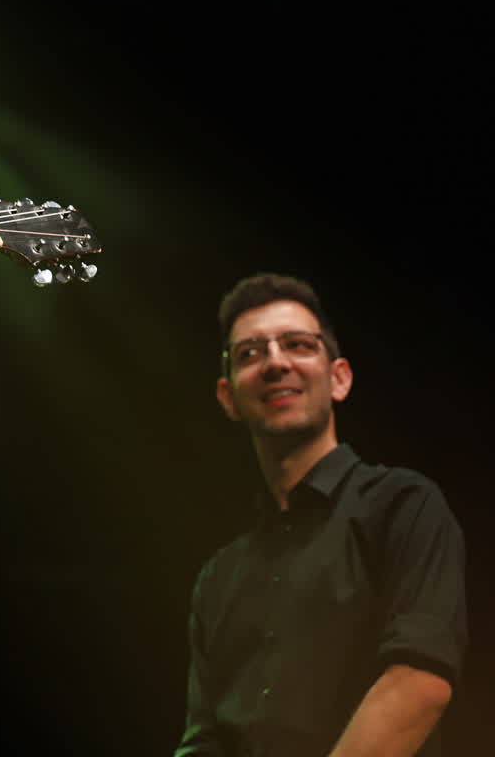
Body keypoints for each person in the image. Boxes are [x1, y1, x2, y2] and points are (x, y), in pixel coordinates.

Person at [175, 273, 466, 757]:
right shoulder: (218, 578)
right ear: (228, 397)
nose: (275, 363)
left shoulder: (403, 506)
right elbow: (203, 741)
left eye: (297, 345)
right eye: (250, 353)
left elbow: (419, 683)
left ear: (339, 378)